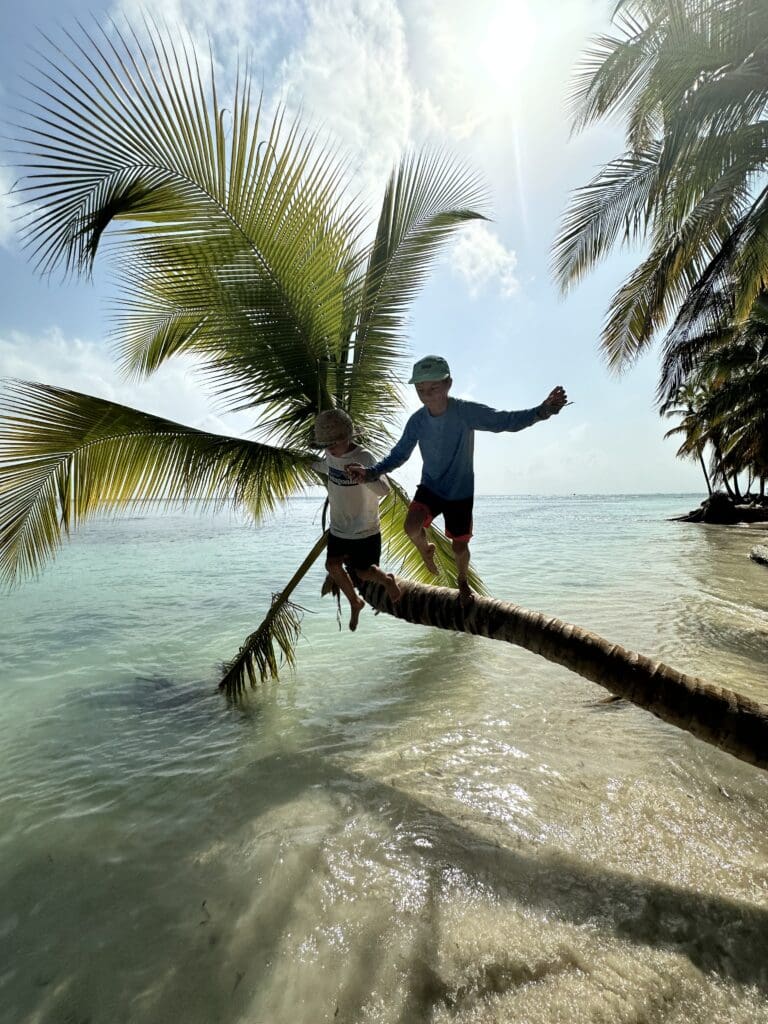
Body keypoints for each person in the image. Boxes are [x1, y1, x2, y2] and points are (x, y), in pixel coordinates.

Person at [346, 355, 568, 604]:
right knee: (410, 527)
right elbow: (399, 455)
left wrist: (543, 410)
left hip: (460, 493)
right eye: (421, 390)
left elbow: (505, 421)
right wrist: (371, 472)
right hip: (430, 487)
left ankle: (462, 580)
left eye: (434, 388)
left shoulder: (465, 412)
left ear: (448, 384)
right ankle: (425, 549)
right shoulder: (417, 421)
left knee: (459, 548)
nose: (427, 395)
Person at [312, 408, 402, 631]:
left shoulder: (364, 457)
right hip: (339, 528)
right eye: (326, 444)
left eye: (334, 442)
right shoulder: (330, 455)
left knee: (363, 572)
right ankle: (355, 601)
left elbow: (384, 490)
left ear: (348, 437)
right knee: (332, 565)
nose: (330, 448)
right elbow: (326, 467)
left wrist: (364, 477)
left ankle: (387, 580)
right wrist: (305, 462)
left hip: (365, 529)